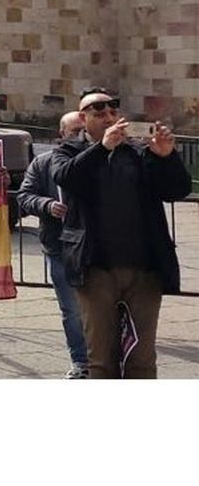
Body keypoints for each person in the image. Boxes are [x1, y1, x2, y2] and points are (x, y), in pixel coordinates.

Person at [56, 89, 189, 379]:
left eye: (113, 112)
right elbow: (66, 178)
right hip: (95, 268)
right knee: (101, 358)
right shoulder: (70, 150)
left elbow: (177, 190)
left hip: (143, 269)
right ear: (83, 117)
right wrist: (102, 148)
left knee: (141, 357)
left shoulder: (139, 153)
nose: (108, 117)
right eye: (99, 111)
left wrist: (166, 157)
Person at [16, 110, 89, 378]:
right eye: (73, 132)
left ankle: (107, 357)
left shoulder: (99, 160)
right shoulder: (44, 163)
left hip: (96, 247)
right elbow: (24, 196)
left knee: (104, 307)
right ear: (61, 134)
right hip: (59, 246)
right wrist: (46, 205)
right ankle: (81, 361)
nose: (80, 136)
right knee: (72, 309)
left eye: (84, 130)